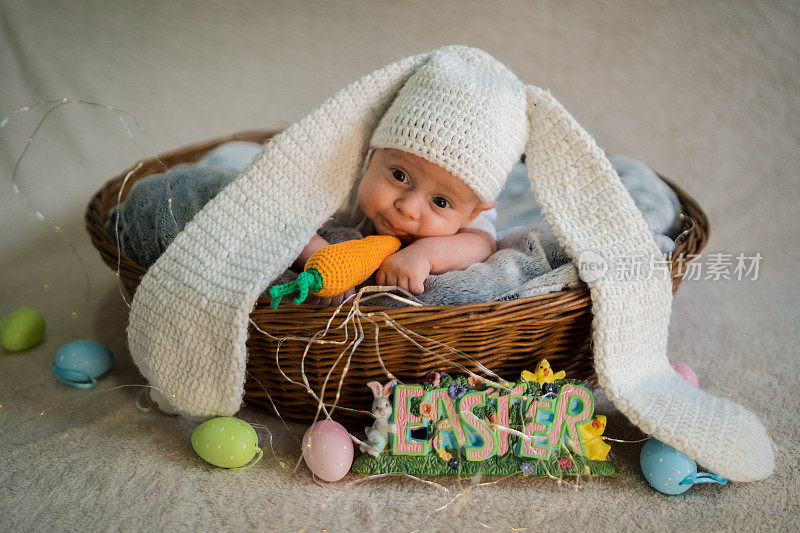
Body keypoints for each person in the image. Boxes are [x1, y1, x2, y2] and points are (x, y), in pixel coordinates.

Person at [292, 146, 499, 305]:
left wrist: (426, 253)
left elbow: (483, 244)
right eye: (400, 176)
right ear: (372, 157)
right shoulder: (342, 192)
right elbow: (285, 220)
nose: (408, 208)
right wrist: (320, 257)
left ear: (471, 215)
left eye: (440, 202)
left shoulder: (470, 207)